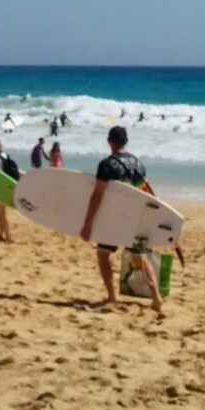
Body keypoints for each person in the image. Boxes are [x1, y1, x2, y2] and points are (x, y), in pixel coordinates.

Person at [80, 126, 163, 313]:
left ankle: (111, 296)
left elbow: (98, 195)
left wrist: (88, 223)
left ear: (109, 141)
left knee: (103, 255)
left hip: (113, 220)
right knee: (141, 258)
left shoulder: (106, 165)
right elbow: (144, 194)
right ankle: (156, 298)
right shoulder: (139, 164)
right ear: (126, 142)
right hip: (135, 219)